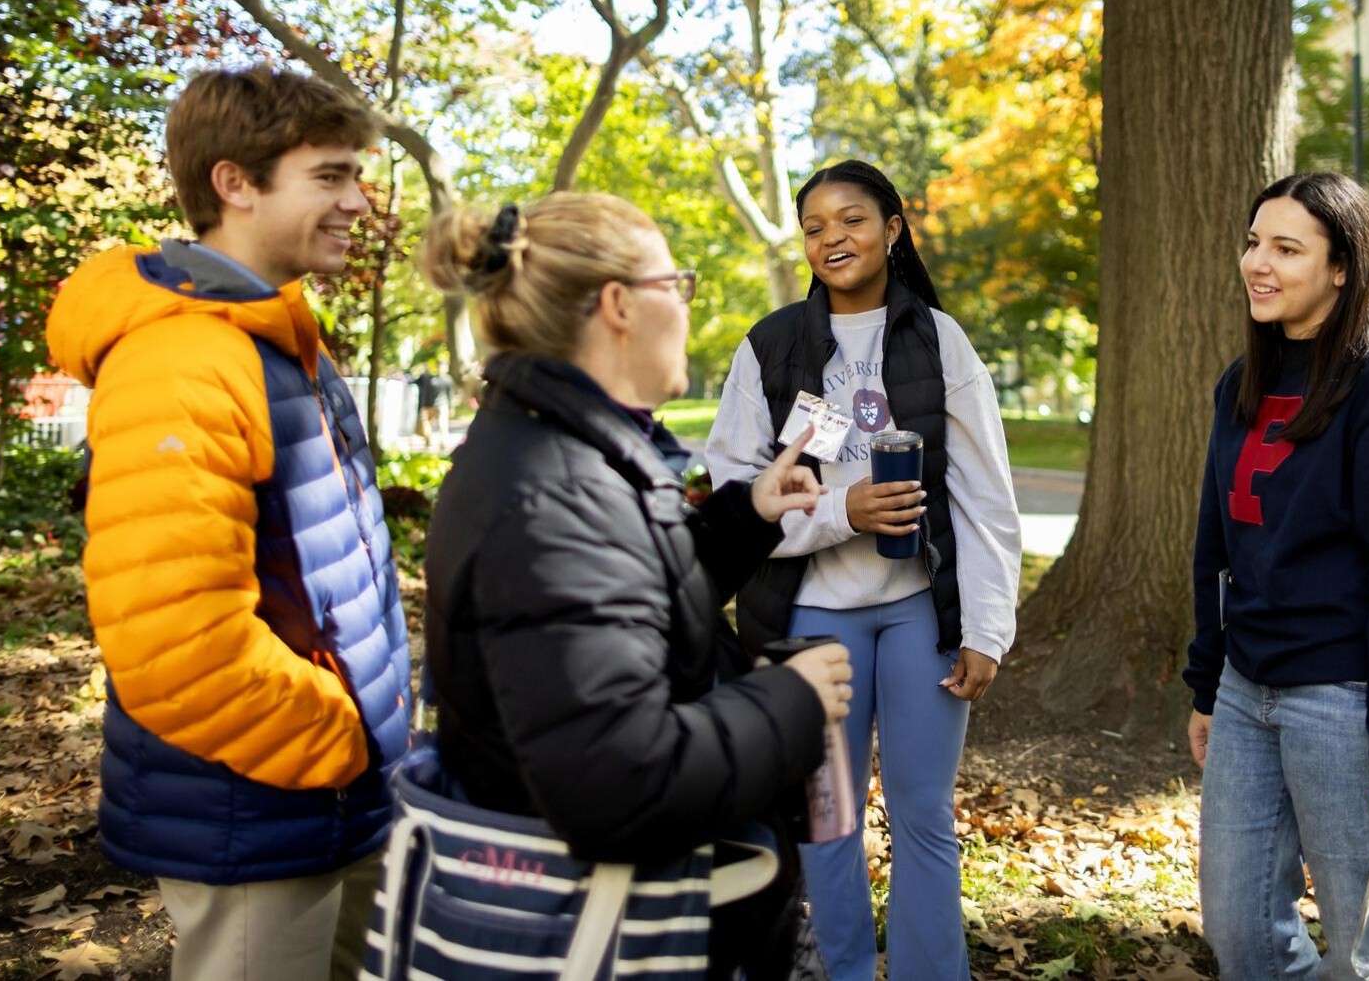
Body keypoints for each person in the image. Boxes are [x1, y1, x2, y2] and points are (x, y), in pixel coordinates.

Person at [419, 192, 853, 979]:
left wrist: (744, 515)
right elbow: (620, 782)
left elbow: (628, 594)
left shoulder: (559, 449)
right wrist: (792, 699)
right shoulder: (552, 496)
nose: (688, 307)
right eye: (675, 285)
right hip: (632, 937)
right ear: (619, 305)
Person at [46, 64, 411, 980]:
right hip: (257, 801)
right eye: (329, 177)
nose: (357, 203)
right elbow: (175, 643)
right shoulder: (183, 360)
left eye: (355, 177)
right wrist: (335, 735)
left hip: (335, 791)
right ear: (234, 183)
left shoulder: (277, 336)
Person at [706, 160, 1023, 981]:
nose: (830, 239)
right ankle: (840, 973)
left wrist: (987, 627)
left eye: (850, 220)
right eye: (813, 227)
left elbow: (985, 491)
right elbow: (735, 496)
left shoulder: (938, 339)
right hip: (811, 614)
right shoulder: (771, 345)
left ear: (892, 229)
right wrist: (842, 512)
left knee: (924, 814)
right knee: (827, 820)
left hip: (920, 607)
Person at [1185, 171, 1369, 980]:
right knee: (1238, 934)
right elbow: (1218, 547)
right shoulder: (1242, 382)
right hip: (1247, 693)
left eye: (1286, 248)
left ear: (1342, 267)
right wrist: (1209, 682)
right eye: (1252, 243)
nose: (1257, 264)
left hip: (1347, 704)